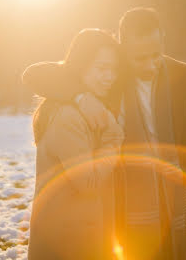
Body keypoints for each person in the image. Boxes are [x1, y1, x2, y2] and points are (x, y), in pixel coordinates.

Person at [23, 7, 186, 260]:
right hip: (127, 206)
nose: (150, 65)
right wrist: (80, 96)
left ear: (163, 39)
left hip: (180, 201)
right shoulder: (115, 74)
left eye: (156, 54)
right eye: (139, 58)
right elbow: (35, 75)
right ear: (124, 49)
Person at [27, 29, 124, 260]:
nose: (109, 76)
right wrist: (113, 139)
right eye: (101, 68)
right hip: (67, 241)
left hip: (79, 233)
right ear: (80, 67)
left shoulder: (89, 107)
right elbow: (89, 181)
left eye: (113, 70)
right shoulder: (68, 116)